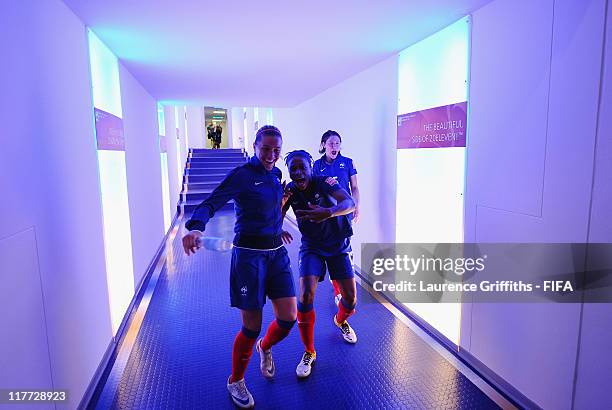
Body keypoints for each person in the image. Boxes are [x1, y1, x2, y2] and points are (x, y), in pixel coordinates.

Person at [182, 125, 296, 409]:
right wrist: (196, 228)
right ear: (256, 147)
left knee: (288, 318)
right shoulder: (242, 175)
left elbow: (274, 208)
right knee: (252, 326)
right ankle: (236, 380)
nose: (271, 154)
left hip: (277, 253)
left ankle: (265, 348)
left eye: (276, 149)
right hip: (249, 257)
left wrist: (276, 227)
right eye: (266, 149)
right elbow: (212, 201)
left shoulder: (277, 174)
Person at [281, 150, 358, 379]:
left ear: (310, 166)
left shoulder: (324, 182)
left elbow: (350, 202)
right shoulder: (291, 191)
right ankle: (309, 352)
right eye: (293, 169)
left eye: (301, 167)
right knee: (304, 297)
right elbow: (274, 219)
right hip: (312, 247)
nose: (297, 172)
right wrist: (281, 204)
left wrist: (329, 212)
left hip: (337, 246)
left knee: (351, 300)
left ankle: (340, 320)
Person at [313, 130, 360, 305]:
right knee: (330, 250)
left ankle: (344, 284)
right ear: (323, 144)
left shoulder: (347, 163)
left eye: (337, 143)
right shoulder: (317, 165)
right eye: (331, 143)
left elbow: (354, 187)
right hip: (326, 214)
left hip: (344, 213)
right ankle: (337, 291)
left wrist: (356, 205)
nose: (335, 146)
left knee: (344, 249)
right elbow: (314, 190)